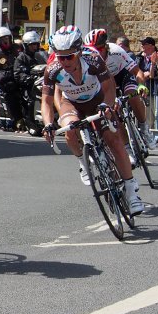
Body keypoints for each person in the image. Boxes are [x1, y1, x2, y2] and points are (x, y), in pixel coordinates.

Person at [41, 26, 145, 214]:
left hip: (98, 99)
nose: (64, 61)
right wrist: (48, 124)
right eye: (60, 56)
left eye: (69, 56)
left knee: (113, 140)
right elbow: (46, 102)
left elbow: (109, 87)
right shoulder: (53, 69)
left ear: (79, 52)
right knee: (70, 131)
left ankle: (131, 191)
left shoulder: (93, 59)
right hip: (71, 103)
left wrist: (106, 106)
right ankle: (83, 162)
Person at [0, 26, 22, 131]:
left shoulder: (17, 49)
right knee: (8, 105)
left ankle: (23, 122)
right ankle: (11, 124)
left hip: (19, 82)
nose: (5, 41)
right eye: (3, 40)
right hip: (5, 85)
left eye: (7, 38)